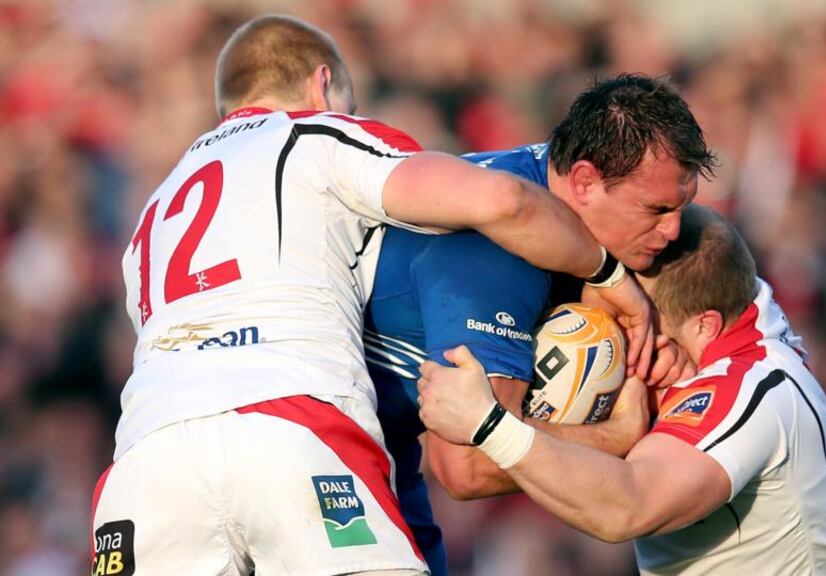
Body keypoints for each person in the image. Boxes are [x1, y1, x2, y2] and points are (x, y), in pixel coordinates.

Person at [90, 14, 651, 576]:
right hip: (294, 423)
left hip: (145, 461)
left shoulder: (150, 215)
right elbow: (502, 202)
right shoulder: (316, 132)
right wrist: (609, 277)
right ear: (323, 84)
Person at [364, 75, 714, 574]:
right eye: (656, 209)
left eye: (681, 207)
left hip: (384, 461)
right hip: (331, 460)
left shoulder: (553, 178)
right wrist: (621, 434)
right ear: (586, 181)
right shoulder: (494, 256)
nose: (673, 229)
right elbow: (467, 465)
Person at [418, 204, 826, 575]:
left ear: (706, 327)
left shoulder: (755, 386)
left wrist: (491, 425)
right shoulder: (718, 332)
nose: (627, 346)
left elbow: (627, 506)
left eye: (643, 327)